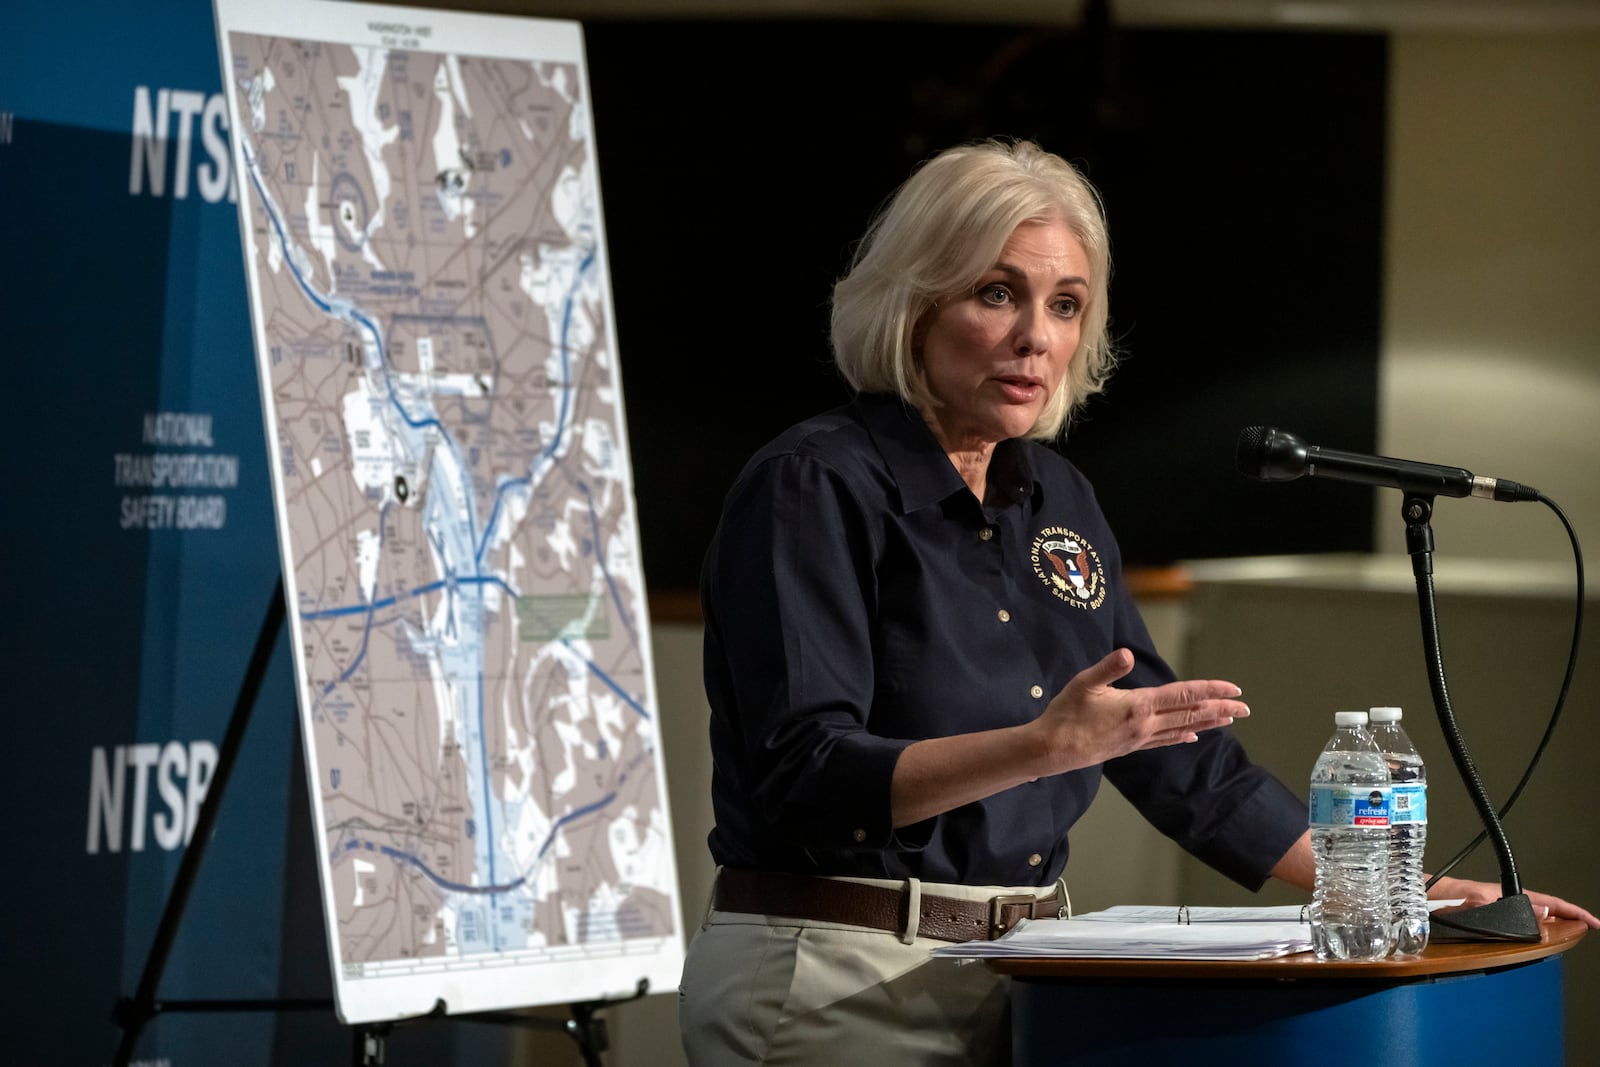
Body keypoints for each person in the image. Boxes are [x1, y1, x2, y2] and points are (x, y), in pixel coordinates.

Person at [677, 138, 1595, 1067]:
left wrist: (1401, 896)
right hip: (838, 976)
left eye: (1065, 305)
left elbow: (1175, 757)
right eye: (996, 293)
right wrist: (1043, 747)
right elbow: (807, 774)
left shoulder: (1057, 499)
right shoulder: (811, 486)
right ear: (913, 304)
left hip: (1026, 971)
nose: (1037, 336)